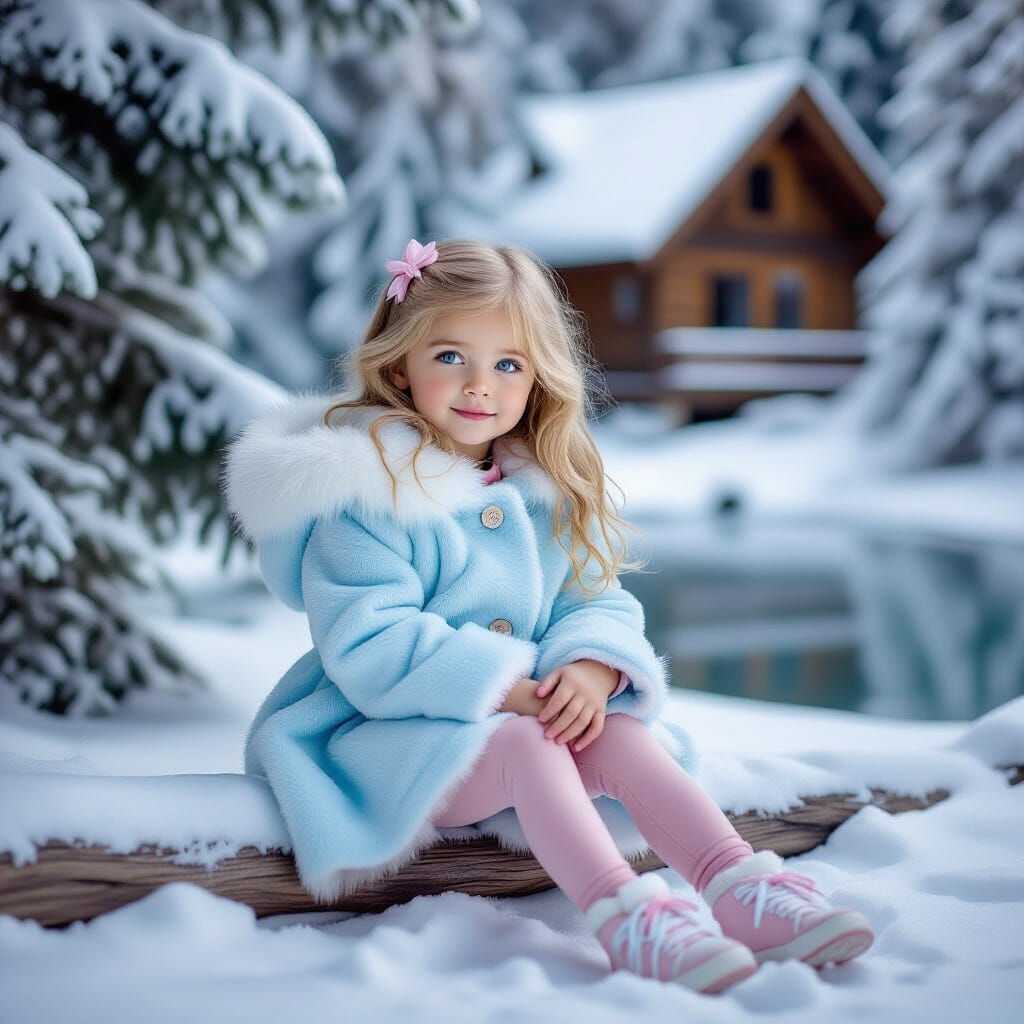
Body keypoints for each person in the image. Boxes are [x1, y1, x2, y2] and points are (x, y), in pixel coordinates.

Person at [223, 237, 874, 994]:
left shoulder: (536, 488)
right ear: (400, 365)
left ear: (537, 378)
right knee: (531, 744)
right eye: (451, 358)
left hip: (514, 722)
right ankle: (627, 916)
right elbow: (372, 637)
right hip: (379, 740)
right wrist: (512, 690)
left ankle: (740, 888)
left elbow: (593, 598)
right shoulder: (366, 495)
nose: (481, 386)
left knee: (617, 731)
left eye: (509, 364)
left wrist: (592, 671)